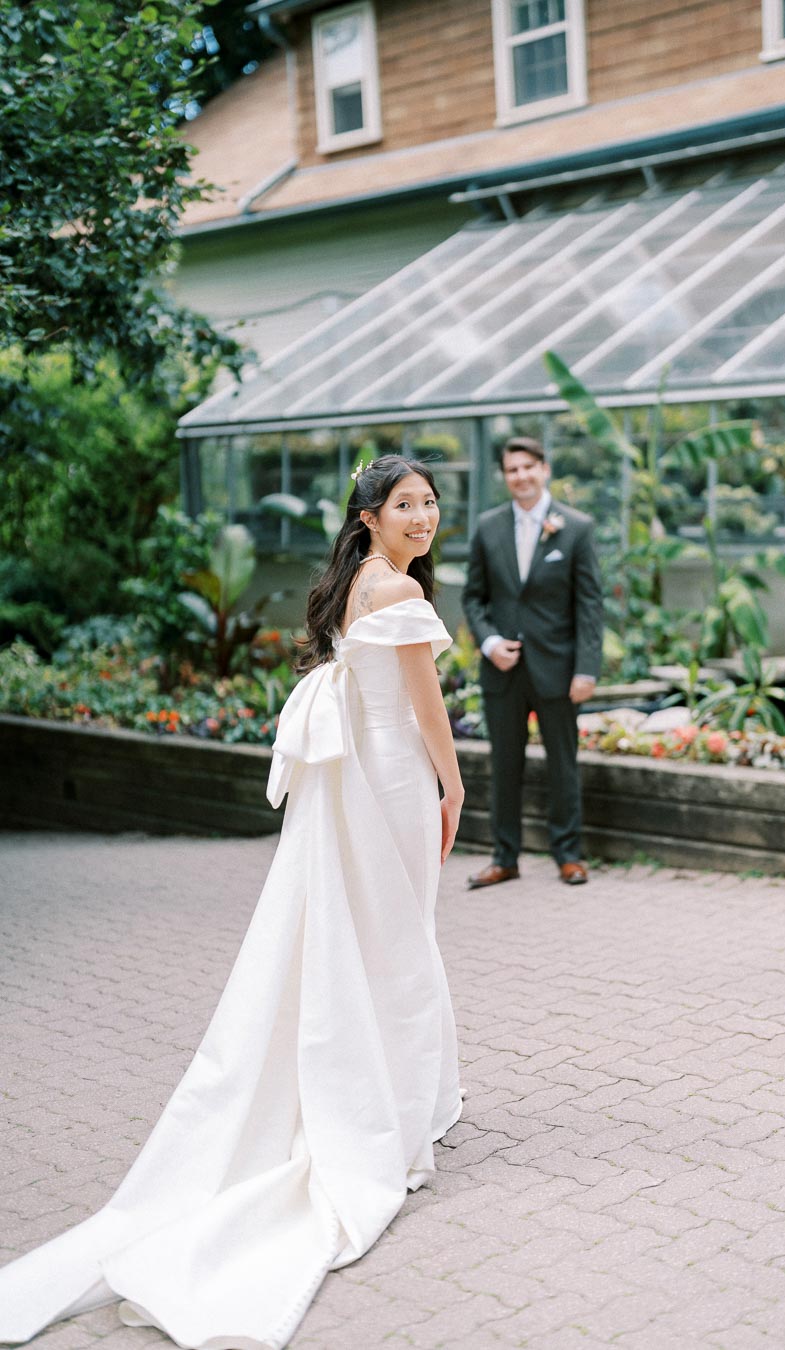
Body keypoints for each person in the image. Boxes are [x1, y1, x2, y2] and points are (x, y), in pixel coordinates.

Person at [0, 456, 465, 1349]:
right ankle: (391, 1116)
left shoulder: (355, 585)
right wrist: (452, 787)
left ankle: (391, 1094)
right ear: (368, 516)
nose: (424, 516)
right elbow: (427, 709)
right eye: (406, 504)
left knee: (368, 938)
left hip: (352, 785)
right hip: (394, 779)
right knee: (401, 940)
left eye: (431, 503)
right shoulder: (398, 596)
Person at [462, 435, 603, 889]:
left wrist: (586, 668)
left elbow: (590, 605)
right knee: (504, 765)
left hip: (558, 670)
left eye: (528, 467)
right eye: (511, 470)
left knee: (563, 763)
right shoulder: (487, 527)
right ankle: (505, 857)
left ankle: (568, 855)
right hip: (502, 670)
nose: (520, 476)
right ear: (505, 476)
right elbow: (473, 598)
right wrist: (489, 644)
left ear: (544, 469)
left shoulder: (577, 528)